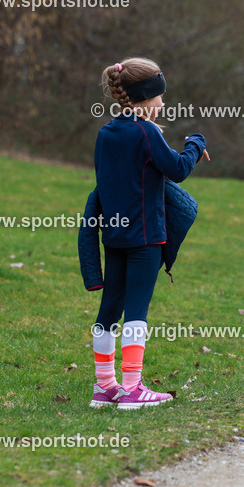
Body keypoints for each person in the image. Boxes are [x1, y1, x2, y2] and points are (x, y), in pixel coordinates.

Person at [86, 57, 208, 409]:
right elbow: (178, 169)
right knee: (137, 310)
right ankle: (133, 388)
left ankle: (104, 387)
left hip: (115, 235)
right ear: (145, 97)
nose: (163, 103)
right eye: (160, 97)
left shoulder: (106, 133)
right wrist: (196, 142)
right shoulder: (147, 132)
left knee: (109, 308)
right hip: (145, 237)